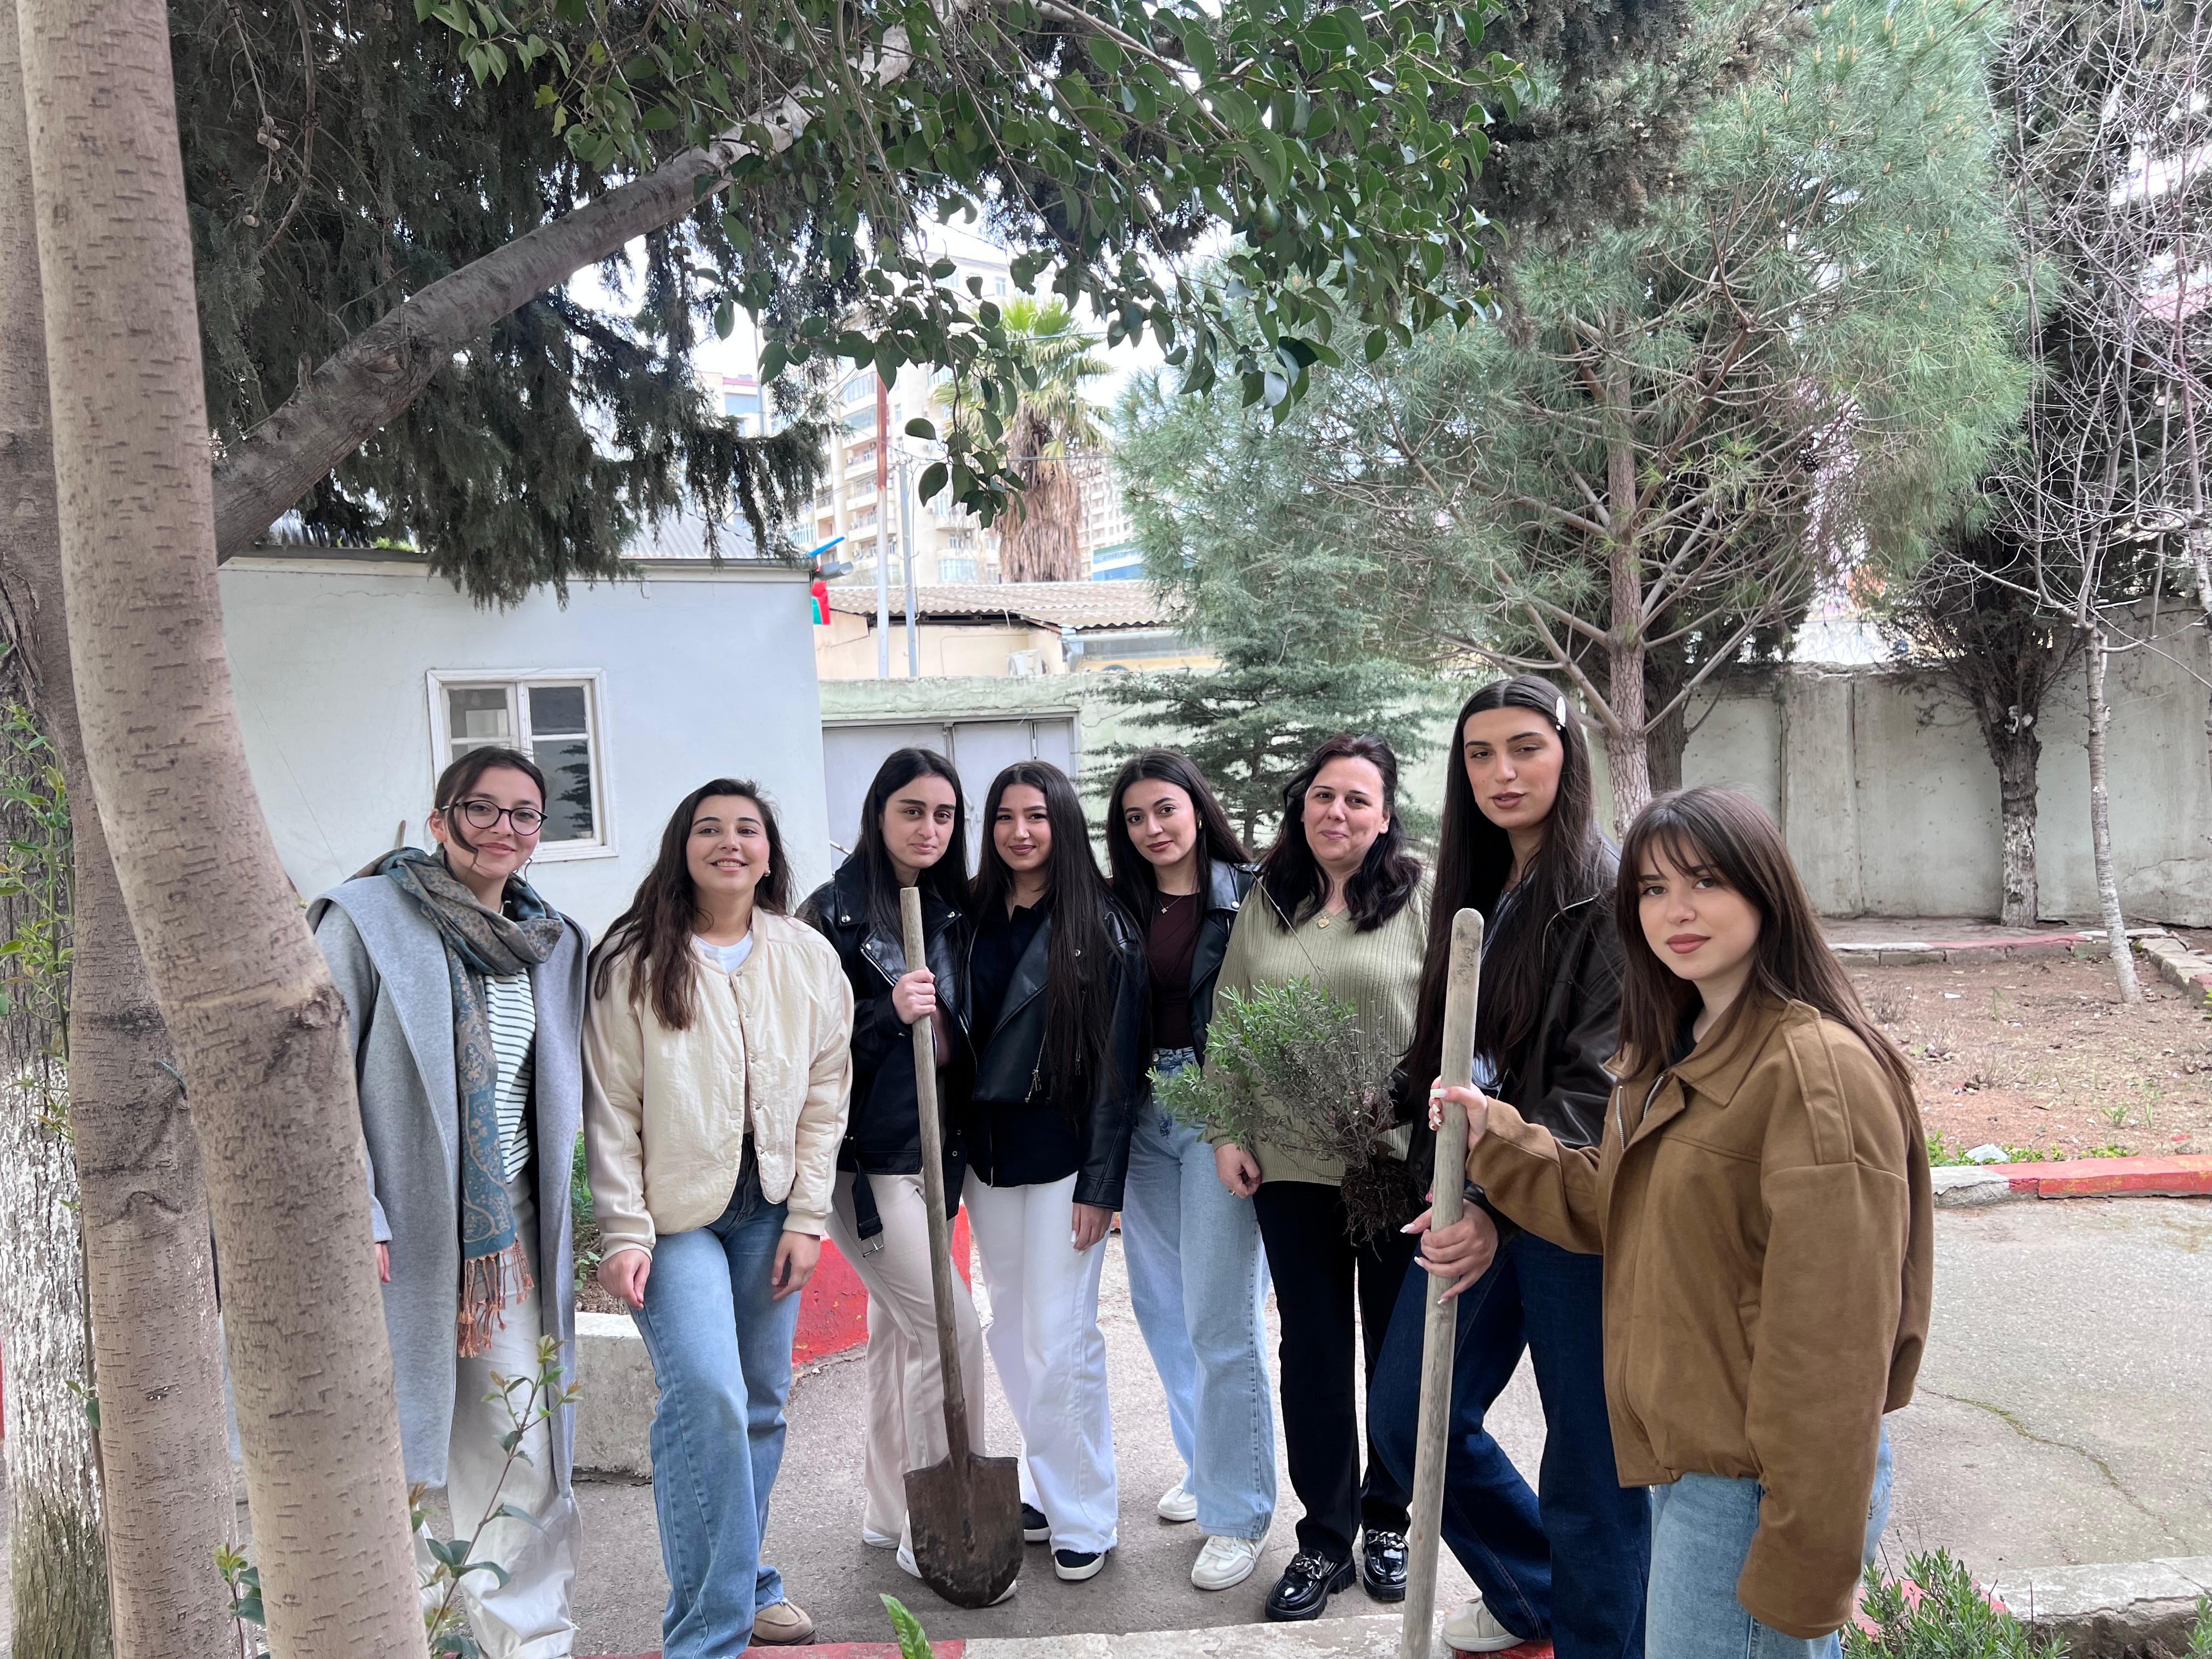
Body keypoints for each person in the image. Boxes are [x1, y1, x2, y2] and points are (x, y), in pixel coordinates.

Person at [1434, 786, 1933, 1658]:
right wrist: (1499, 1140)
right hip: (1693, 1467)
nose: (1677, 911)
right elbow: (1618, 1205)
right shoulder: (1676, 1044)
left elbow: (1835, 1347)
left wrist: (1803, 1556)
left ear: (1765, 890)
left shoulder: (1815, 1075)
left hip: (1759, 1491)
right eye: (1653, 889)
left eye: (1705, 881)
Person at [1371, 677, 1650, 1656]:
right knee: (1409, 1419)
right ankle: (1538, 1593)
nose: (1502, 772)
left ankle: (1604, 1640)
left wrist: (1495, 1203)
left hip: (1569, 1207)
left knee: (1591, 1466)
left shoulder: (1608, 894)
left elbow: (1596, 1083)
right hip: (1480, 1193)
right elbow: (1465, 1052)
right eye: (1480, 754)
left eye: (1526, 747)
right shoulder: (1478, 883)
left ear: (1568, 757)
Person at [311, 746, 588, 1659]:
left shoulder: (551, 942)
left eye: (524, 814)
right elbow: (317, 1079)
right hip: (403, 1224)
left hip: (507, 1229)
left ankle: (528, 1642)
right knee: (396, 1448)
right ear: (440, 822)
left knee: (517, 1440)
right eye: (482, 809)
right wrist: (358, 1211)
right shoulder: (368, 921)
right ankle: (398, 1635)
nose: (503, 828)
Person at [584, 780, 852, 1654]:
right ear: (683, 847)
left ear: (769, 853)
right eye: (709, 828)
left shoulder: (806, 955)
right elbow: (611, 1108)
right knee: (706, 1395)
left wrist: (808, 1217)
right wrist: (623, 1229)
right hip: (675, 1217)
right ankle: (709, 1632)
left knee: (762, 1403)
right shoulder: (632, 959)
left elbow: (826, 1093)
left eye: (747, 829)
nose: (729, 842)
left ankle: (745, 1579)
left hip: (769, 1205)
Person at [1209, 733, 1431, 1623]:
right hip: (1290, 1169)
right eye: (1323, 797)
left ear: (1385, 816)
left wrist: (1406, 1102)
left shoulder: (1420, 898)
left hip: (1393, 1165)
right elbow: (1230, 1015)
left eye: (1357, 800)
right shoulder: (1271, 900)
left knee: (1397, 1352)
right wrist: (1228, 1129)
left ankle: (1389, 1522)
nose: (1336, 813)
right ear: (1303, 807)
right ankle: (1325, 1537)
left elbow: (1456, 1022)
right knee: (1312, 1352)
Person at [798, 749, 995, 1581]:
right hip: (868, 1166)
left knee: (895, 1338)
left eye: (945, 815)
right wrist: (884, 1013)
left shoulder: (953, 911)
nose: (930, 828)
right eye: (912, 811)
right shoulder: (829, 917)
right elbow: (801, 1050)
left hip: (936, 1155)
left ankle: (889, 1513)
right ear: (879, 813)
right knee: (949, 1332)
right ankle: (937, 1524)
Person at [961, 760, 1147, 1583]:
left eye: (1036, 815)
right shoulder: (968, 915)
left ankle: (1085, 1515)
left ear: (1062, 822)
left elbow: (1116, 1071)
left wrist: (1102, 1186)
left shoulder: (1102, 925)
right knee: (1010, 1326)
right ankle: (1049, 1477)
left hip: (1065, 1158)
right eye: (1005, 816)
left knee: (1061, 1336)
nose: (1020, 831)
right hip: (989, 1157)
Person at [1104, 748, 1277, 1593]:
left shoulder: (1249, 895)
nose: (1152, 829)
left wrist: (1239, 1116)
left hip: (1220, 1112)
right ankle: (1208, 1464)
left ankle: (1239, 1513)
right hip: (1144, 1114)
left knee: (1221, 1317)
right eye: (1135, 817)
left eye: (1165, 810)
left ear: (1197, 809)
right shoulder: (1118, 906)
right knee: (1162, 1309)